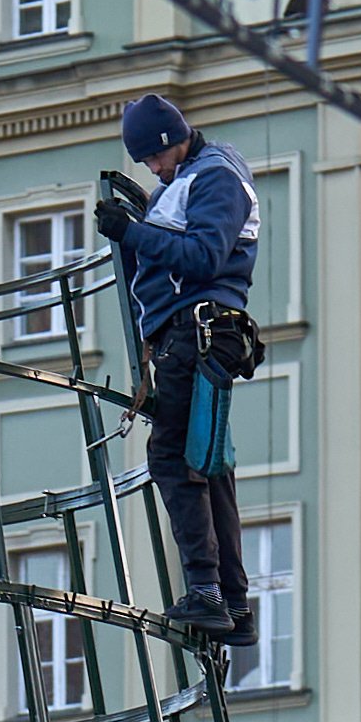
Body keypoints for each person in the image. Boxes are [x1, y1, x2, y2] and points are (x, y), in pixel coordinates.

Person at [100, 94, 258, 646]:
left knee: (174, 458)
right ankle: (232, 603)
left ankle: (207, 591)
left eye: (153, 157)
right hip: (197, 332)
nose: (153, 168)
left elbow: (202, 256)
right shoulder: (192, 178)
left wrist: (131, 233)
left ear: (171, 141)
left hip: (194, 332)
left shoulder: (214, 177)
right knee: (209, 466)